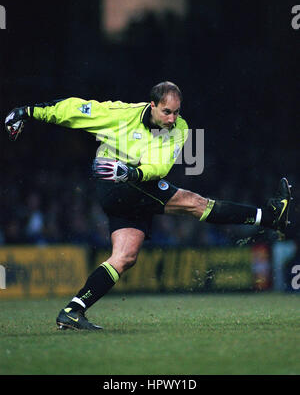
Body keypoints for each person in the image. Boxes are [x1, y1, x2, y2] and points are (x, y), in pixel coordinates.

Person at [5, 81, 292, 330]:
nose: (172, 118)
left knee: (125, 256)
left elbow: (160, 165)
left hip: (135, 181)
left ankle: (73, 311)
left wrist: (133, 173)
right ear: (151, 105)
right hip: (115, 185)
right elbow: (74, 109)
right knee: (196, 203)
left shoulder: (179, 129)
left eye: (176, 111)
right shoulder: (122, 114)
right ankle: (270, 217)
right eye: (166, 111)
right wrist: (28, 111)